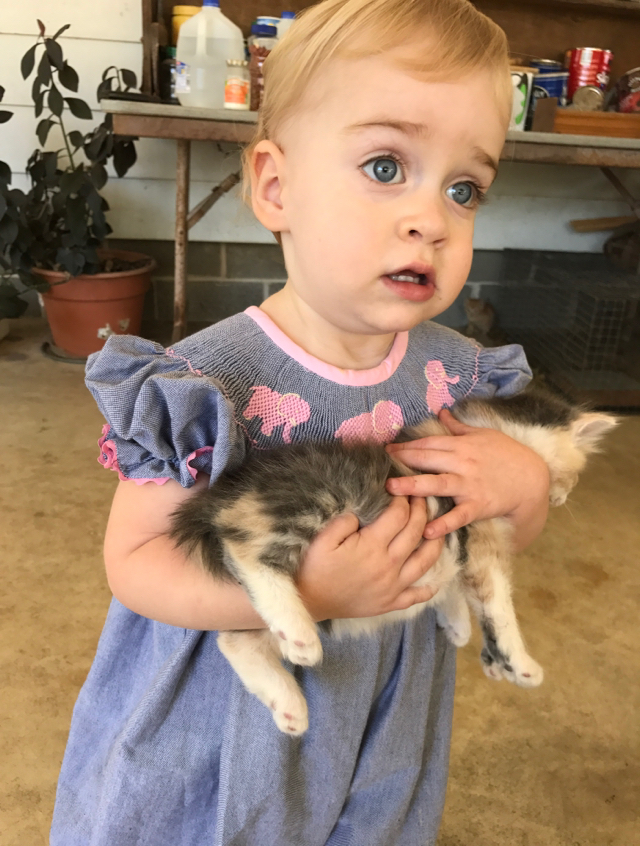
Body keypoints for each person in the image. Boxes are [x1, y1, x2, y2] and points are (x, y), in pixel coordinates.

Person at [51, 1, 551, 843]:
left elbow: (477, 536)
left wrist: (523, 487)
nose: (431, 219)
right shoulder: (210, 382)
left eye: (463, 189)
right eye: (386, 166)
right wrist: (309, 592)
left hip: (379, 712)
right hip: (222, 714)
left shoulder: (455, 376)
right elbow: (134, 564)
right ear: (276, 187)